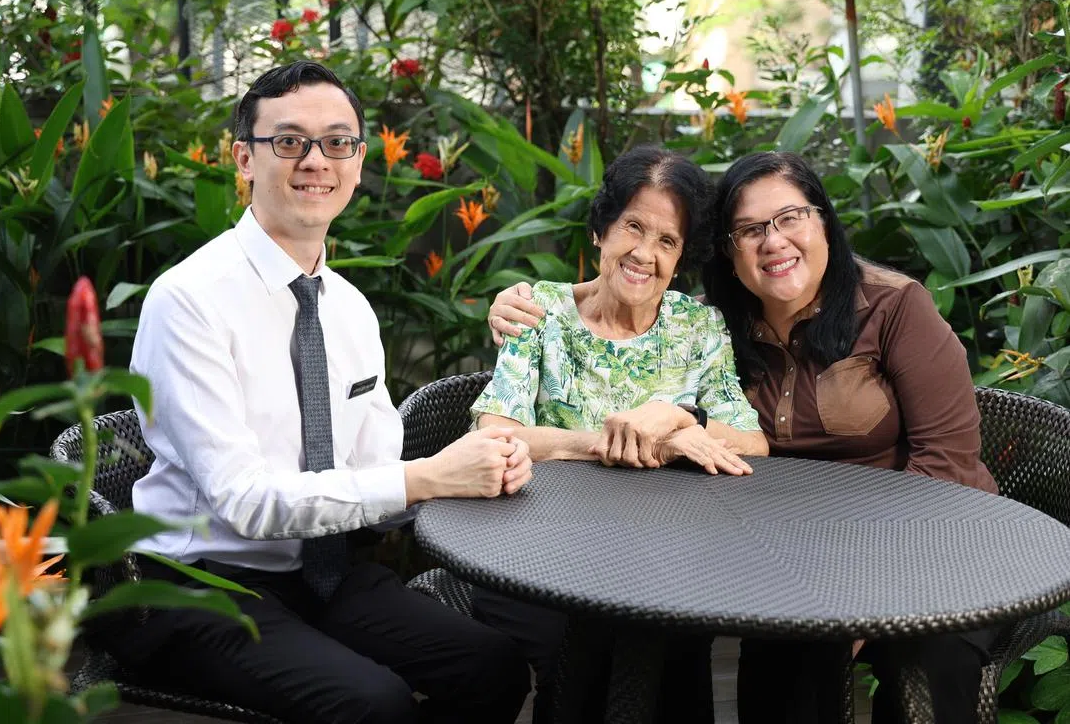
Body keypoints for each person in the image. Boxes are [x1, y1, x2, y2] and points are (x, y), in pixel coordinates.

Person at [487, 150, 1000, 723]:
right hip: (793, 560)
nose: (773, 242)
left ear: (823, 220)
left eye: (790, 218)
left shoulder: (895, 309)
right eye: (750, 230)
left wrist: (865, 600)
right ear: (729, 254)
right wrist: (533, 302)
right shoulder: (719, 323)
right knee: (782, 665)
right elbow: (629, 290)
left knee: (933, 658)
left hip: (925, 549)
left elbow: (948, 466)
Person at [118, 61, 534, 724]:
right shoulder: (189, 301)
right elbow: (246, 504)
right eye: (289, 142)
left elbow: (375, 473)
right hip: (203, 583)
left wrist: (475, 468)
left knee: (494, 666)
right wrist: (424, 478)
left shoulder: (347, 307)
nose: (316, 160)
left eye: (337, 142)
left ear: (359, 161)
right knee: (376, 706)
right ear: (243, 159)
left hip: (326, 570)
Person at [471, 145, 768, 723]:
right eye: (633, 227)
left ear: (682, 258)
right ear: (601, 231)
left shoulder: (697, 327)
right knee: (618, 641)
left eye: (667, 241)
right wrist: (612, 443)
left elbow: (752, 441)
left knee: (671, 635)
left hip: (663, 566)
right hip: (538, 558)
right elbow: (493, 435)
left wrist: (676, 419)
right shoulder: (540, 313)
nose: (644, 254)